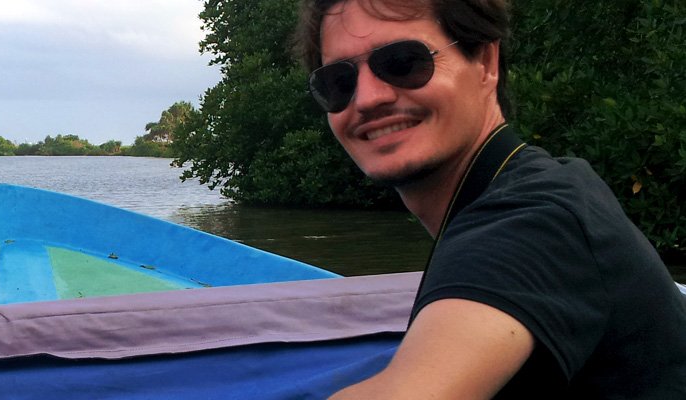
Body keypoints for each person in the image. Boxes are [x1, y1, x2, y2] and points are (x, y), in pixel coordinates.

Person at [293, 0, 686, 397]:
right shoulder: (538, 184)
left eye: (402, 62)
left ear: (486, 61)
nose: (367, 98)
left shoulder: (534, 222)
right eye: (339, 83)